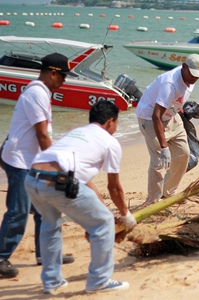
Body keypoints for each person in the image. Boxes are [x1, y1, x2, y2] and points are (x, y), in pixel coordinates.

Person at [24, 100, 137, 295]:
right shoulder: (110, 142)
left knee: (50, 225)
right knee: (102, 224)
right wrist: (125, 214)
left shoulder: (77, 133)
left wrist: (106, 210)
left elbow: (84, 181)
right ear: (111, 121)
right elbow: (114, 187)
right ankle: (99, 280)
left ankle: (52, 282)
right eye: (116, 123)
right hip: (58, 180)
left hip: (33, 177)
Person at [0, 53, 77, 278]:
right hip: (20, 161)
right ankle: (1, 256)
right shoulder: (36, 93)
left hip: (31, 159)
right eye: (63, 77)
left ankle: (46, 254)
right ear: (52, 73)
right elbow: (42, 135)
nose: (64, 81)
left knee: (46, 208)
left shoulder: (42, 93)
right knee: (19, 210)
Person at [136, 53, 199, 205]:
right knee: (159, 162)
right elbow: (156, 115)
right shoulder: (170, 84)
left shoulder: (191, 79)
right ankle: (152, 201)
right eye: (193, 74)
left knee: (183, 154)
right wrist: (164, 147)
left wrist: (182, 110)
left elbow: (178, 99)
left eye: (198, 75)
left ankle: (167, 193)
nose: (195, 78)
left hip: (172, 116)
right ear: (184, 67)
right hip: (150, 119)